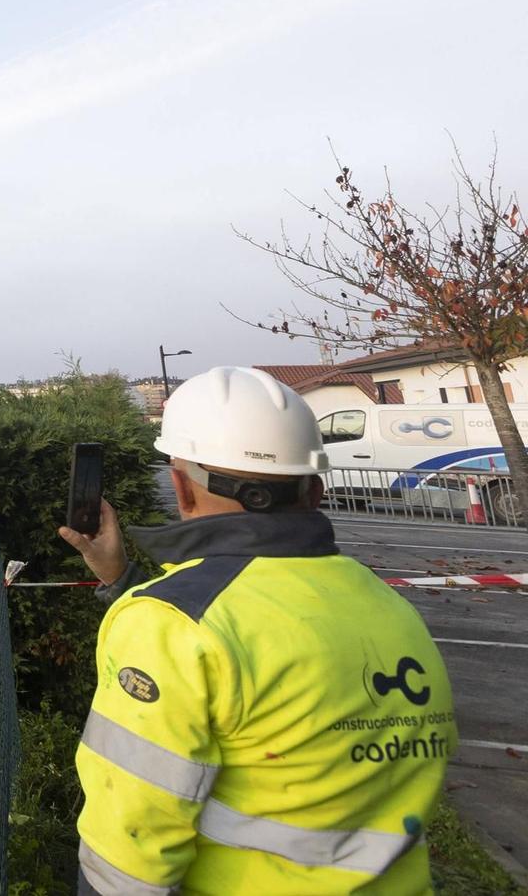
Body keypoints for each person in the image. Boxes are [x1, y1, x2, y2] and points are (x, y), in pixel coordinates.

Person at [60, 366, 454, 895]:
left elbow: (128, 852)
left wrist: (138, 594)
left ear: (181, 485)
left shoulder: (171, 625)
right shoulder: (382, 601)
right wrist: (123, 578)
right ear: (313, 490)